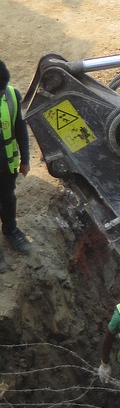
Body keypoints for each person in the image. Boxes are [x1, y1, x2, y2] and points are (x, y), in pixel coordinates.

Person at [0, 60, 32, 272]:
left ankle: (11, 230)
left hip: (5, 165)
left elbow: (20, 128)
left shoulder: (11, 95)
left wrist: (26, 159)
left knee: (8, 198)